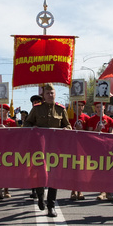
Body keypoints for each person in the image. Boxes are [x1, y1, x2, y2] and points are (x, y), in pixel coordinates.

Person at [23, 83, 72, 217]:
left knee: (53, 176)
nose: (50, 95)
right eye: (47, 93)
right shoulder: (37, 109)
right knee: (39, 174)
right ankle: (40, 196)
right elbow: (27, 123)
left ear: (55, 94)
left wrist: (65, 130)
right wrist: (33, 129)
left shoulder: (61, 110)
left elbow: (68, 125)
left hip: (55, 149)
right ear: (43, 96)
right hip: (39, 148)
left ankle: (51, 206)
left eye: (52, 93)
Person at [0, 103, 18, 199]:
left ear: (7, 111)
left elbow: (15, 135)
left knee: (7, 170)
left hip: (8, 148)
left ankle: (6, 190)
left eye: (3, 110)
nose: (1, 112)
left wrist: (6, 130)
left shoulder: (12, 122)